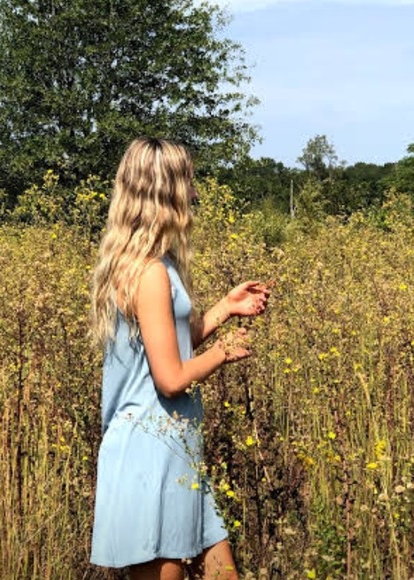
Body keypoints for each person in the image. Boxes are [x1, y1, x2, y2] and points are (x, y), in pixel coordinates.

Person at [90, 137, 270, 580]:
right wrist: (223, 352)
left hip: (174, 449)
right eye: (188, 180)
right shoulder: (149, 273)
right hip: (149, 453)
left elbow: (168, 344)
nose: (195, 191)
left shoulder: (157, 264)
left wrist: (224, 309)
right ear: (165, 190)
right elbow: (170, 378)